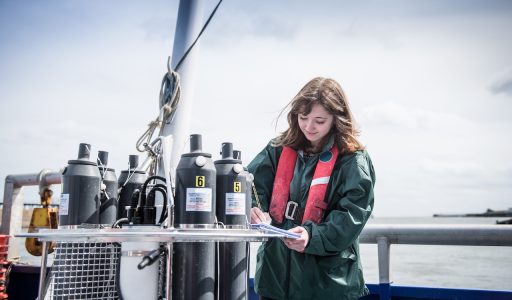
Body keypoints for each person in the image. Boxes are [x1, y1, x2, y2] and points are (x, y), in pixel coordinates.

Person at [248, 77, 375, 300]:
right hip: (273, 280)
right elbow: (248, 186)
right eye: (303, 117)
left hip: (327, 286)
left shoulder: (354, 160)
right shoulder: (277, 149)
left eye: (319, 120)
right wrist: (252, 208)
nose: (308, 126)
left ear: (337, 119)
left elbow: (352, 217)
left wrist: (312, 236)